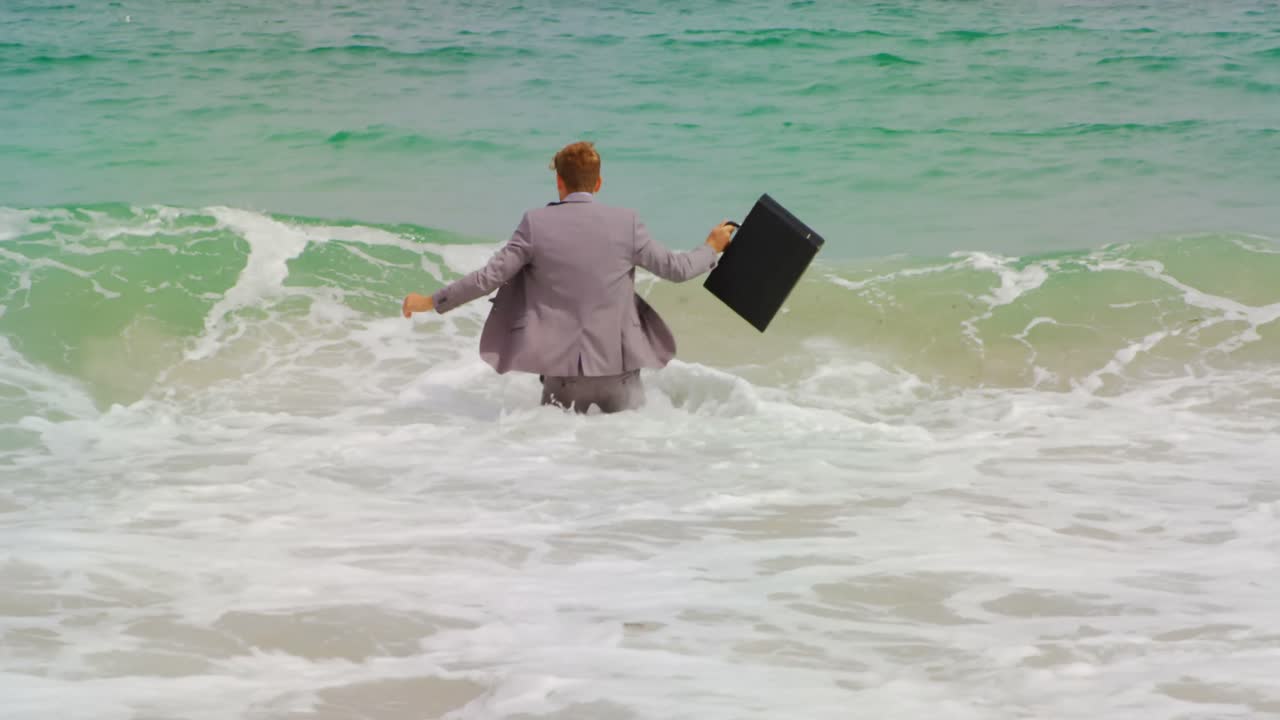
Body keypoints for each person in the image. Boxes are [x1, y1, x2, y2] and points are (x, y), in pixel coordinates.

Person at [402, 141, 735, 413]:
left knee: (561, 465)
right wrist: (711, 247)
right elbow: (676, 270)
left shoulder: (535, 224)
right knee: (628, 459)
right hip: (618, 374)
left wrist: (431, 301)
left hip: (562, 377)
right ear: (599, 183)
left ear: (559, 182)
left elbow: (488, 278)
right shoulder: (627, 223)